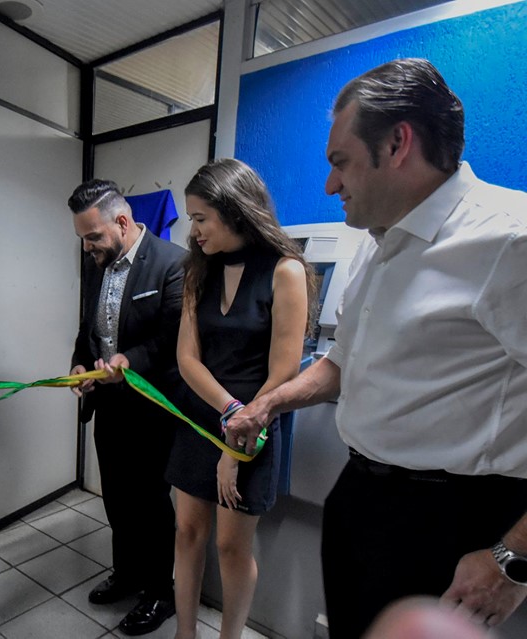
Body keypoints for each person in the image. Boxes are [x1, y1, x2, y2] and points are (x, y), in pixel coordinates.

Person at [225, 58, 527, 638]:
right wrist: (269, 405)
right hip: (361, 493)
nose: (329, 185)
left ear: (397, 143)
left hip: (454, 519)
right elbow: (343, 364)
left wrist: (513, 560)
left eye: (340, 163)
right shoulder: (376, 239)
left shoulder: (507, 239)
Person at [166, 159, 311, 639]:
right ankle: (185, 634)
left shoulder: (285, 272)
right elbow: (188, 358)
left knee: (231, 547)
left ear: (235, 211)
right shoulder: (196, 271)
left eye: (201, 218)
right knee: (187, 533)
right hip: (203, 415)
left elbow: (284, 372)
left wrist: (238, 442)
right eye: (191, 219)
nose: (195, 230)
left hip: (257, 422)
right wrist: (227, 415)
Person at [67, 179, 186, 635]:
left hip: (152, 407)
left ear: (122, 221)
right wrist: (79, 364)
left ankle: (161, 592)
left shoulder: (173, 264)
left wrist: (128, 361)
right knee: (116, 494)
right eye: (82, 238)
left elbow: (173, 339)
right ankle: (129, 572)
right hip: (108, 402)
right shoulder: (98, 264)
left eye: (93, 236)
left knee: (150, 501)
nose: (87, 246)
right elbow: (89, 330)